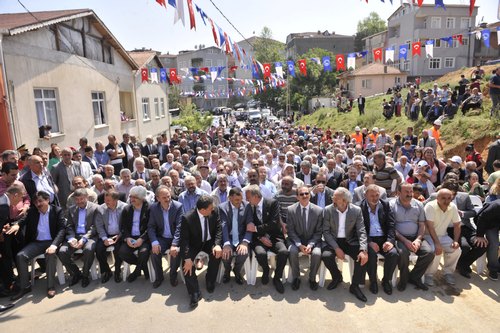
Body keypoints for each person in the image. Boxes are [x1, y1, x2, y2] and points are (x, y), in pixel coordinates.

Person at [8, 190, 66, 300]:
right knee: (21, 256)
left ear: (47, 200)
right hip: (37, 243)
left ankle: (50, 286)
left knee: (50, 255)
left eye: (40, 201)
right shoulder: (33, 211)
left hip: (52, 242)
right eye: (35, 202)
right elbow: (23, 219)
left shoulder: (57, 211)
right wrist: (17, 225)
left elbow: (62, 229)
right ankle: (25, 287)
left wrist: (54, 245)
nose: (38, 204)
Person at [322, 187, 368, 302]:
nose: (332, 198)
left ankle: (355, 286)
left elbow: (361, 230)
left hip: (350, 241)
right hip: (333, 240)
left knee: (362, 257)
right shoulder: (328, 210)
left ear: (344, 200)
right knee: (327, 256)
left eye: (335, 197)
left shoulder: (356, 210)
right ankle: (337, 277)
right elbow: (326, 232)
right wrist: (336, 248)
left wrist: (363, 249)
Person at [179, 195, 222, 309]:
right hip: (194, 244)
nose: (213, 209)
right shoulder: (187, 218)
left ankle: (210, 280)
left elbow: (218, 228)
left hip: (209, 242)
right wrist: (188, 258)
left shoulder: (214, 210)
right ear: (202, 210)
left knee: (217, 255)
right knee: (186, 265)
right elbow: (184, 240)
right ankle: (194, 292)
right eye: (210, 208)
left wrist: (217, 245)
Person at [391, 182, 434, 291]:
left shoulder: (418, 204)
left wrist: (418, 239)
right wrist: (405, 241)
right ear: (398, 192)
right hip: (399, 237)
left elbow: (421, 225)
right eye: (406, 192)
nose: (410, 194)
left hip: (416, 236)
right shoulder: (391, 205)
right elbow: (391, 227)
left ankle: (414, 277)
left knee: (429, 252)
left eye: (411, 191)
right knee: (403, 253)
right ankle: (404, 278)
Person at [245, 185, 288, 293]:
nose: (246, 199)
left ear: (255, 196)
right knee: (260, 254)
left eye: (248, 197)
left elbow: (273, 223)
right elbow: (248, 226)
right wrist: (260, 237)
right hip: (259, 238)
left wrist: (255, 229)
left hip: (274, 236)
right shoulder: (249, 207)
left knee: (283, 252)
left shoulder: (272, 203)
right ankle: (266, 270)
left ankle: (277, 277)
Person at [359, 185, 398, 295]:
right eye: (372, 195)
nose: (375, 198)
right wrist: (369, 242)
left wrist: (390, 241)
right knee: (371, 254)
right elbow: (359, 228)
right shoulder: (359, 207)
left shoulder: (385, 204)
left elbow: (391, 225)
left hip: (384, 238)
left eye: (377, 195)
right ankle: (373, 281)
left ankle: (386, 281)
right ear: (365, 195)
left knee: (393, 254)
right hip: (369, 239)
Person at [58, 188, 99, 288]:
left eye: (82, 199)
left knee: (88, 249)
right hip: (75, 236)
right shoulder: (72, 209)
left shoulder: (95, 208)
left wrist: (84, 238)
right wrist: (71, 238)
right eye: (77, 199)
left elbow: (95, 227)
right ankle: (76, 273)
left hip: (90, 236)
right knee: (62, 251)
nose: (79, 201)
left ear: (87, 197)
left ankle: (85, 275)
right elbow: (69, 226)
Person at [286, 186, 323, 291]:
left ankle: (312, 278)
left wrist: (310, 244)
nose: (304, 196)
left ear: (310, 195)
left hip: (313, 241)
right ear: (297, 197)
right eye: (301, 194)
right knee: (292, 251)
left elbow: (319, 232)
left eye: (307, 193)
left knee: (317, 253)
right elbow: (290, 231)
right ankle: (296, 277)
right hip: (296, 240)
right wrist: (299, 244)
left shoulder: (319, 211)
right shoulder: (291, 210)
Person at [422, 189, 462, 286]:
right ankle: (429, 274)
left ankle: (448, 272)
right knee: (436, 250)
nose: (446, 200)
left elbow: (457, 225)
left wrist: (456, 241)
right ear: (437, 198)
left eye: (449, 198)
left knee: (456, 250)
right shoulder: (430, 206)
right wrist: (437, 243)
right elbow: (430, 227)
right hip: (428, 236)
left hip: (443, 235)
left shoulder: (452, 207)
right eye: (443, 198)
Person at [147, 186, 183, 288]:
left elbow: (179, 228)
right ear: (158, 198)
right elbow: (151, 227)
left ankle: (173, 275)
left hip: (174, 238)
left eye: (168, 196)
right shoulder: (154, 208)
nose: (167, 199)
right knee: (154, 252)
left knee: (175, 252)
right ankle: (159, 276)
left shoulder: (178, 206)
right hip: (162, 238)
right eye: (164, 198)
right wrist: (154, 242)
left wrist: (175, 244)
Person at [219, 187, 252, 285]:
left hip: (241, 237)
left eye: (241, 199)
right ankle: (227, 270)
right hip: (228, 237)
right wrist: (226, 243)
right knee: (225, 254)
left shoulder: (247, 206)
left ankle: (237, 271)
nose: (240, 202)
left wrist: (245, 242)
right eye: (237, 200)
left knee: (243, 253)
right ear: (230, 198)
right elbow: (223, 226)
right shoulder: (222, 207)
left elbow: (249, 225)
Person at [118, 186, 151, 282]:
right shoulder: (127, 209)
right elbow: (123, 226)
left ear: (142, 198)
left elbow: (151, 227)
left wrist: (142, 239)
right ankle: (142, 266)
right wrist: (127, 238)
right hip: (131, 237)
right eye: (131, 196)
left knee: (143, 252)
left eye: (135, 197)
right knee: (122, 252)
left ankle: (136, 272)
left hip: (144, 238)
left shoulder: (149, 209)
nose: (131, 199)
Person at [95, 190, 127, 283]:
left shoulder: (124, 207)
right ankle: (106, 271)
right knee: (99, 249)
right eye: (105, 199)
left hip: (120, 235)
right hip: (106, 234)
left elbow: (126, 225)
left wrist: (120, 235)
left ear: (116, 200)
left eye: (108, 200)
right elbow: (99, 226)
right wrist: (105, 238)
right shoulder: (100, 209)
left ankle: (117, 271)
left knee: (118, 249)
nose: (106, 202)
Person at [474, 199, 500, 280]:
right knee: (494, 244)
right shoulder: (497, 205)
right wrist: (480, 235)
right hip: (489, 224)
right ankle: (493, 269)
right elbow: (482, 217)